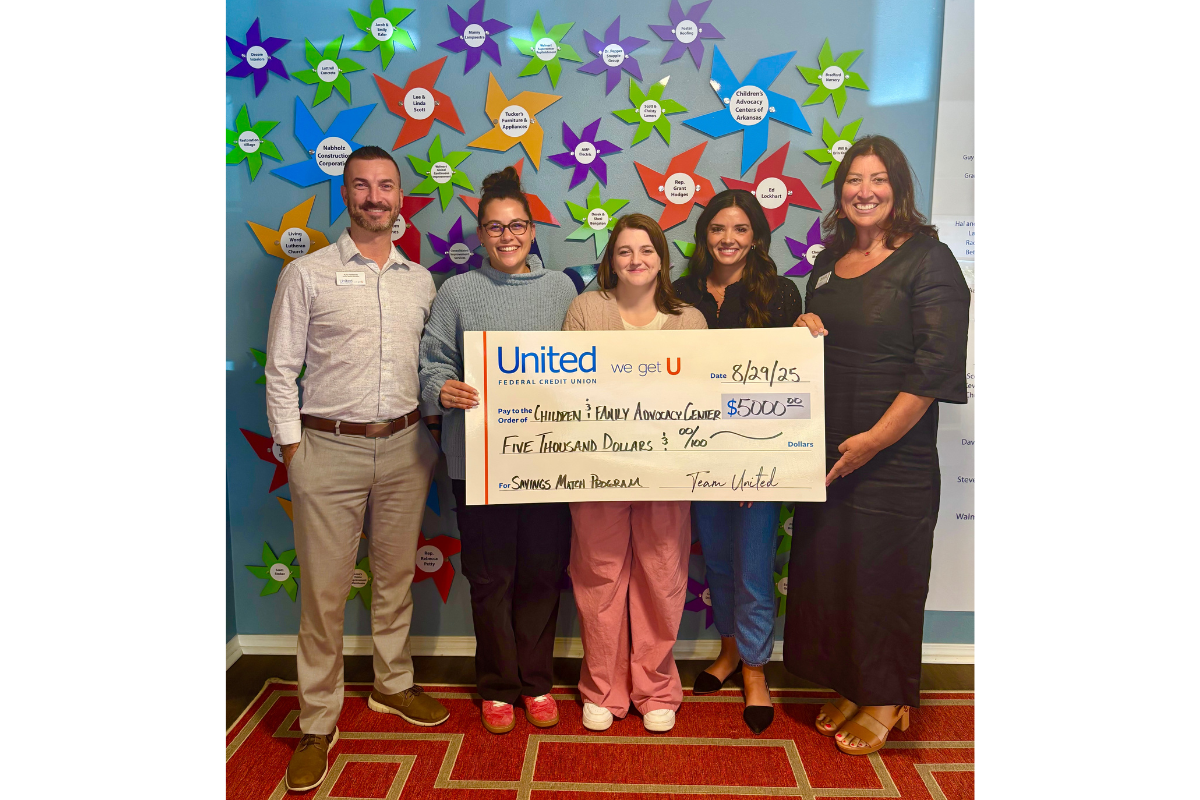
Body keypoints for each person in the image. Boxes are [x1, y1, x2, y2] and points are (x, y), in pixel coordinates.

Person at [265, 145, 450, 794]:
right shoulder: (307, 274)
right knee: (322, 594)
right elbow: (280, 369)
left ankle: (391, 685)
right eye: (362, 186)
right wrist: (295, 452)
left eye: (386, 186)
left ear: (401, 197)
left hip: (406, 449)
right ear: (345, 194)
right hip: (327, 451)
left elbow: (433, 368)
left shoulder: (419, 279)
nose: (375, 197)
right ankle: (317, 722)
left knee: (396, 578)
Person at [785, 135, 970, 756]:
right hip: (828, 454)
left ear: (899, 189)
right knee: (834, 572)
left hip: (894, 456)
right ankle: (854, 682)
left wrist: (872, 441)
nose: (865, 191)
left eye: (878, 179)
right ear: (840, 194)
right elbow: (819, 349)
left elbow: (934, 367)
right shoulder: (825, 263)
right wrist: (803, 329)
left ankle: (887, 697)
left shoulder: (929, 260)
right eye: (854, 181)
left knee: (885, 577)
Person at [418, 166, 577, 735]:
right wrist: (442, 387)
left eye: (517, 226)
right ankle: (498, 687)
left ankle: (536, 683)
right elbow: (432, 357)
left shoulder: (562, 289)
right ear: (480, 235)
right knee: (489, 579)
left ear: (533, 230)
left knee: (540, 573)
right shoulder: (458, 291)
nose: (507, 237)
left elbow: (589, 365)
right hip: (477, 463)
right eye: (494, 227)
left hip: (548, 465)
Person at [561, 214, 707, 733]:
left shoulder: (688, 319)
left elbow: (701, 396)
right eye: (624, 251)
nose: (636, 260)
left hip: (666, 471)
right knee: (598, 575)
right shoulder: (585, 309)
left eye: (646, 250)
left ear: (663, 259)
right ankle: (602, 687)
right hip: (596, 469)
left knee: (662, 573)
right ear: (611, 260)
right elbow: (566, 390)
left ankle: (656, 687)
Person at [672, 189, 803, 734]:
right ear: (704, 235)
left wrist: (756, 459)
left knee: (753, 565)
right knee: (719, 561)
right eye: (718, 229)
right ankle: (728, 651)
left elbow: (786, 382)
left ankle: (754, 669)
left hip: (758, 459)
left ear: (757, 236)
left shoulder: (780, 293)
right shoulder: (678, 293)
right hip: (696, 453)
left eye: (740, 229)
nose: (728, 239)